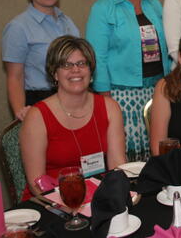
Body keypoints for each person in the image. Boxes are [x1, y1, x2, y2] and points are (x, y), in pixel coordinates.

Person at [86, 0, 170, 161]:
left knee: (159, 153)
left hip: (158, 91)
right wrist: (106, 98)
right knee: (129, 157)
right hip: (120, 96)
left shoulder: (155, 5)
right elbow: (97, 56)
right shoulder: (102, 9)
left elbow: (168, 47)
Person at [20, 36, 126, 198]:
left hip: (99, 198)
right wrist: (71, 208)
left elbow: (118, 167)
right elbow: (37, 184)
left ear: (91, 71)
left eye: (81, 63)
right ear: (55, 73)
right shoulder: (37, 117)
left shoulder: (109, 108)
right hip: (51, 202)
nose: (75, 70)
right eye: (66, 65)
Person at [2, 0, 80, 121]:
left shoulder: (68, 23)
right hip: (40, 103)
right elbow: (14, 77)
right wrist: (21, 115)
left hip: (74, 100)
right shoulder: (18, 27)